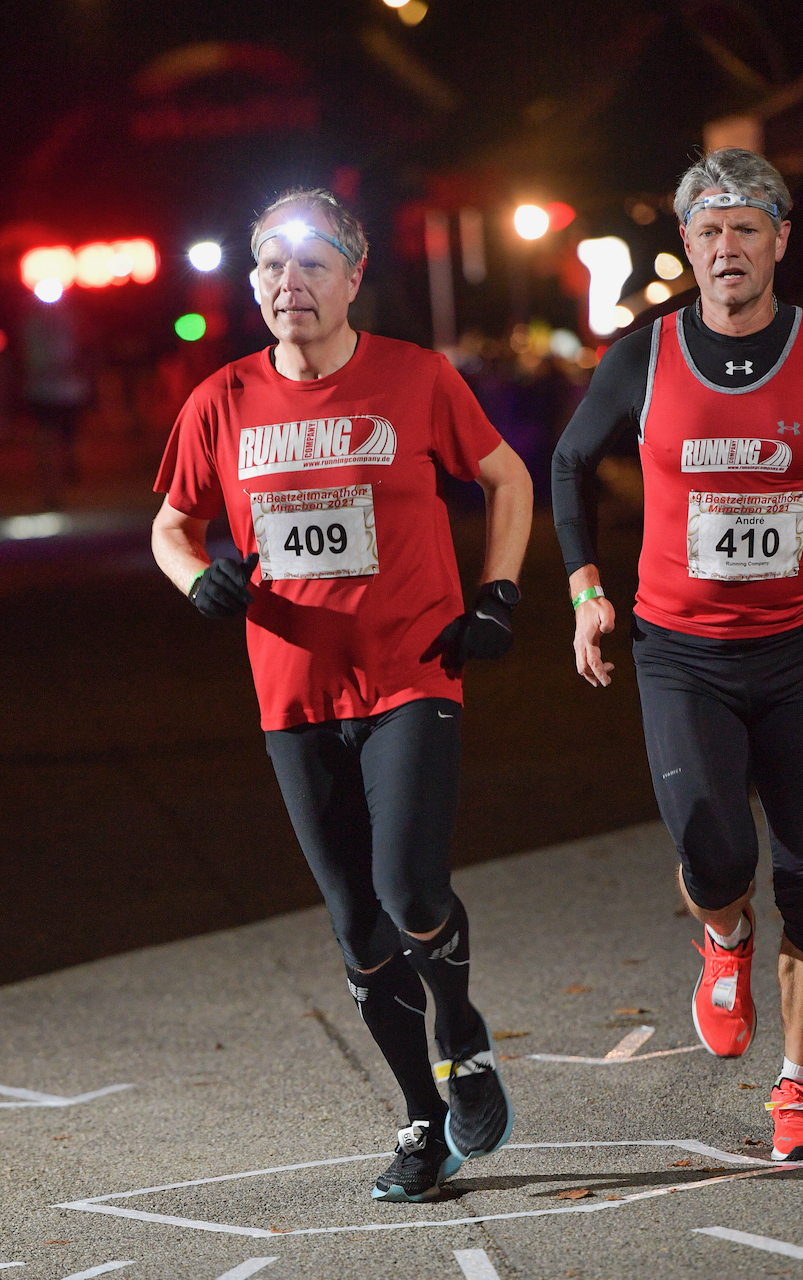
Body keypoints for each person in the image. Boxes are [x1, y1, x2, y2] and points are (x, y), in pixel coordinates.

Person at [151, 188, 532, 1201]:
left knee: (408, 889)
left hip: (411, 670)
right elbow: (171, 525)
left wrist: (496, 591)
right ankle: (422, 1115)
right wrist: (200, 577)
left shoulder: (414, 376)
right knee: (356, 925)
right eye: (271, 266)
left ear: (354, 276)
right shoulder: (220, 400)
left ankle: (460, 1028)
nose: (290, 284)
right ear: (252, 284)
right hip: (292, 693)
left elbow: (506, 478)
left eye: (313, 264)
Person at [552, 149, 803, 1162]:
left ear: (777, 239)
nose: (726, 247)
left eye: (745, 227)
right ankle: (721, 936)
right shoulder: (643, 357)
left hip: (796, 654)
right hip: (679, 654)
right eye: (708, 231)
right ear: (686, 245)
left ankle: (798, 1087)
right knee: (719, 854)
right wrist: (585, 588)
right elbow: (567, 460)